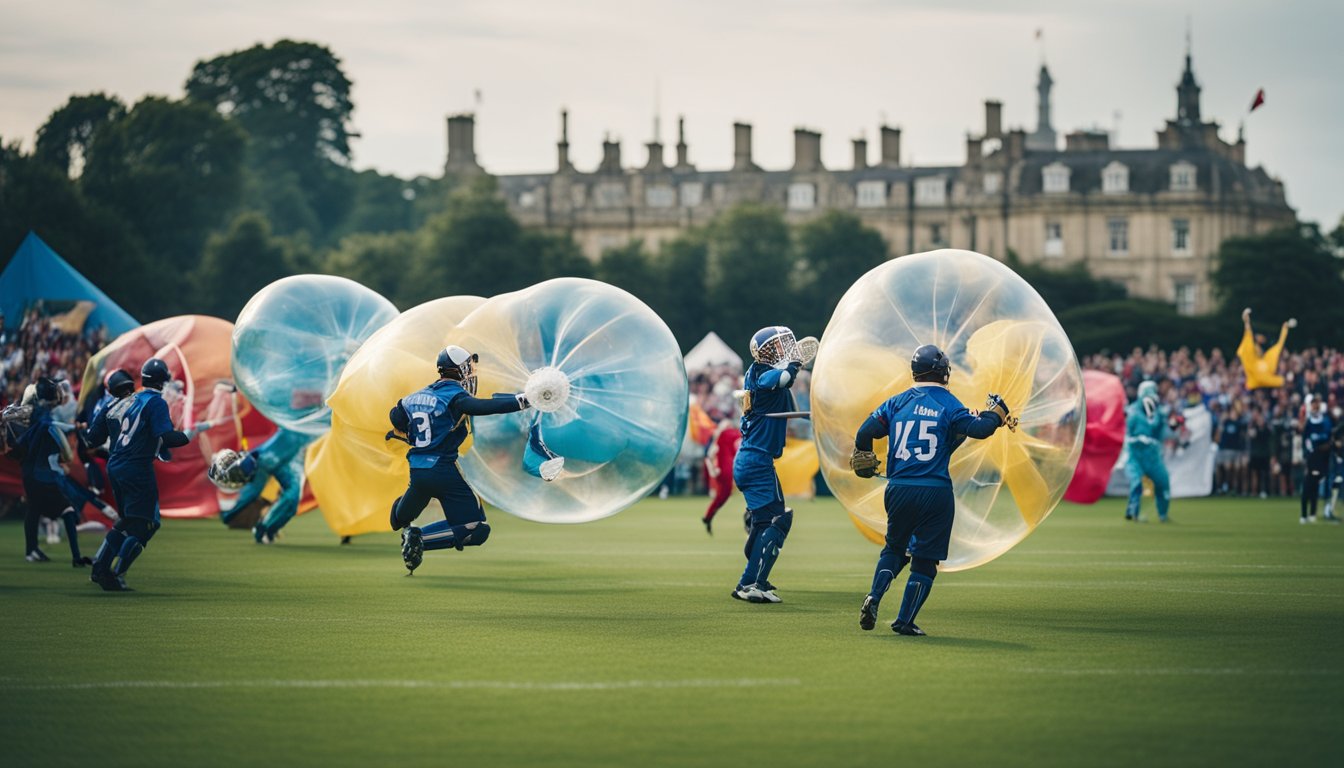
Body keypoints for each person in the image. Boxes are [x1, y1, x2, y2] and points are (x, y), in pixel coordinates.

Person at [849, 344, 1010, 636]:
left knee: (895, 549)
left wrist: (863, 453)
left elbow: (864, 433)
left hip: (898, 488)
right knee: (924, 560)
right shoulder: (949, 404)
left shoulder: (896, 403)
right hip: (935, 490)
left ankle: (874, 595)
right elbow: (980, 429)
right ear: (943, 372)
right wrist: (996, 414)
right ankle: (904, 621)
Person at [387, 345, 532, 574]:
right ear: (461, 369)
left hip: (418, 470)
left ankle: (402, 512)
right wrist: (523, 401)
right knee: (476, 529)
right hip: (443, 470)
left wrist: (412, 432)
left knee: (398, 519)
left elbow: (396, 416)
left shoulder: (415, 396)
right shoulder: (455, 397)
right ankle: (420, 538)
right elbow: (482, 406)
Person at [86, 358, 207, 591]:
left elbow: (93, 438)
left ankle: (100, 565)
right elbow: (167, 437)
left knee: (127, 520)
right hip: (137, 468)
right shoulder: (156, 403)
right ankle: (115, 573)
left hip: (116, 466)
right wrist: (191, 434)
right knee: (147, 524)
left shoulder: (124, 401)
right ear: (163, 382)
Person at [730, 326, 804, 604]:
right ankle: (750, 582)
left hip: (753, 458)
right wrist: (794, 364)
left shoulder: (756, 373)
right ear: (764, 352)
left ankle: (755, 576)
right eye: (778, 346)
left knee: (766, 521)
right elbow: (783, 378)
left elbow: (789, 397)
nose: (784, 349)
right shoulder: (763, 374)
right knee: (777, 520)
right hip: (757, 460)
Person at [13, 378, 91, 565]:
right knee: (68, 510)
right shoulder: (44, 417)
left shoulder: (33, 414)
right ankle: (76, 557)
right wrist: (73, 429)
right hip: (41, 474)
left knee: (34, 510)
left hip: (29, 471)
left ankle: (31, 550)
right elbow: (53, 430)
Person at [210, 428, 312, 544]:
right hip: (271, 455)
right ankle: (230, 515)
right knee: (252, 492)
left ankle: (265, 529)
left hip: (293, 459)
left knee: (292, 498)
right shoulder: (294, 420)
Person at [1123, 381, 1175, 523]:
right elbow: (1126, 432)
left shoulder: (1158, 413)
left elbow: (1164, 432)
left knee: (1163, 482)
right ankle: (1132, 513)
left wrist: (1174, 426)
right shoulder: (1132, 412)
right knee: (1136, 483)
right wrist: (1136, 439)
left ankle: (1163, 514)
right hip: (1136, 455)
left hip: (1153, 457)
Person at [701, 414, 741, 535]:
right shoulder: (732, 434)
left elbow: (708, 457)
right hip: (727, 470)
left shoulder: (718, 440)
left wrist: (713, 470)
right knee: (723, 496)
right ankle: (708, 516)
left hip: (721, 471)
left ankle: (709, 516)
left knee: (722, 496)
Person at [1300, 396, 1333, 524]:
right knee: (1308, 486)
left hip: (1323, 460)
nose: (1315, 407)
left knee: (1316, 487)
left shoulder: (1326, 421)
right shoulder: (1309, 423)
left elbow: (1329, 439)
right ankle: (1304, 515)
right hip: (1312, 458)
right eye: (1313, 404)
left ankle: (1314, 513)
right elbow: (1305, 441)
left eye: (1316, 404)